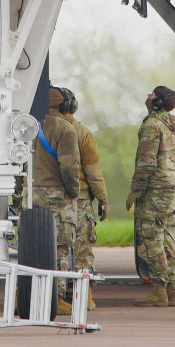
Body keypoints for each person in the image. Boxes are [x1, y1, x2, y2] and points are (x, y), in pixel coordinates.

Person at [126, 84, 175, 307]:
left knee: (151, 237)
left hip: (156, 191)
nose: (148, 96)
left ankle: (158, 290)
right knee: (169, 238)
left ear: (158, 102)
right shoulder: (174, 125)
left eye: (152, 94)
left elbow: (146, 162)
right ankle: (170, 290)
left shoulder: (152, 125)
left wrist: (136, 189)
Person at [28, 87, 87, 282]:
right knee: (60, 247)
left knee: (32, 247)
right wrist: (73, 192)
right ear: (66, 106)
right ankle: (57, 296)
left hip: (31, 194)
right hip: (57, 196)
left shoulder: (28, 126)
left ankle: (27, 294)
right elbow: (69, 167)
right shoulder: (66, 129)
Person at [56, 87, 107, 278]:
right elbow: (93, 171)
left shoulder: (41, 131)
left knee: (57, 249)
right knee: (83, 250)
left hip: (52, 198)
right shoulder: (83, 133)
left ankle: (55, 294)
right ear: (72, 107)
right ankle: (86, 295)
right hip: (81, 199)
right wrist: (103, 198)